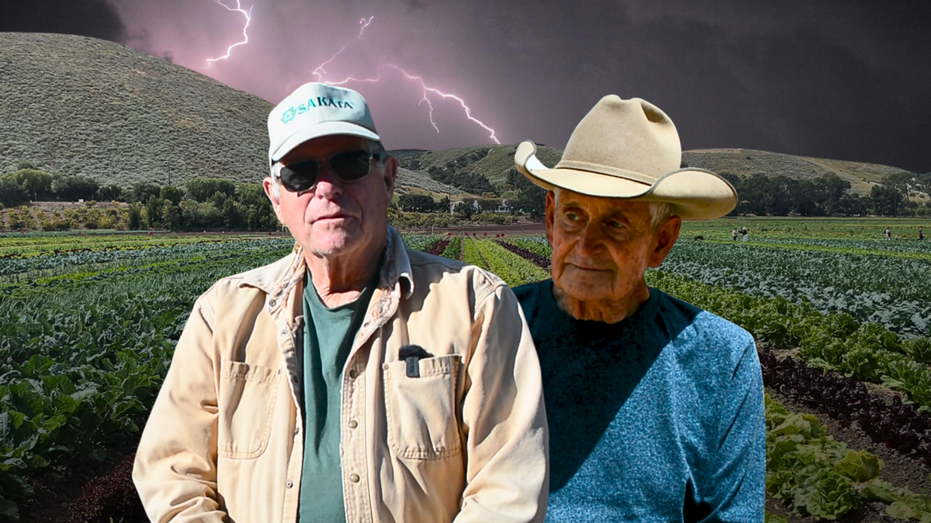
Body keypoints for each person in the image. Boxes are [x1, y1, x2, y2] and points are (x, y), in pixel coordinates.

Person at [133, 82, 548, 523]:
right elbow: (173, 472)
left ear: (388, 177)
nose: (327, 187)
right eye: (300, 173)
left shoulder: (475, 305)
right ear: (275, 197)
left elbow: (507, 491)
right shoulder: (224, 314)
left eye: (349, 163)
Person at [512, 95, 765, 522]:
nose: (586, 245)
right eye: (574, 215)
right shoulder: (494, 326)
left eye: (616, 223)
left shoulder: (722, 359)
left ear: (662, 241)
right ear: (551, 219)